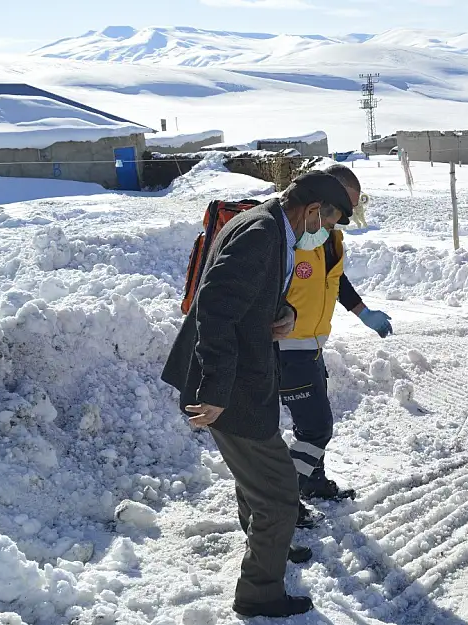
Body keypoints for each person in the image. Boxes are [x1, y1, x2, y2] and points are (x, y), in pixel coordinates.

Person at [160, 171, 353, 619]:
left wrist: (281, 312)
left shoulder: (269, 226)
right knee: (280, 494)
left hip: (246, 378)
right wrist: (215, 389)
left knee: (259, 481)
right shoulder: (263, 232)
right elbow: (215, 306)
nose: (326, 233)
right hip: (231, 388)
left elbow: (251, 294)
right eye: (329, 222)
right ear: (310, 211)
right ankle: (259, 594)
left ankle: (272, 550)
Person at [281, 164, 393, 522]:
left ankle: (311, 481)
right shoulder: (293, 234)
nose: (345, 217)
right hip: (286, 348)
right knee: (317, 428)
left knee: (309, 427)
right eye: (344, 207)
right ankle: (284, 501)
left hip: (312, 345)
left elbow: (336, 281)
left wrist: (364, 313)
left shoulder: (329, 237)